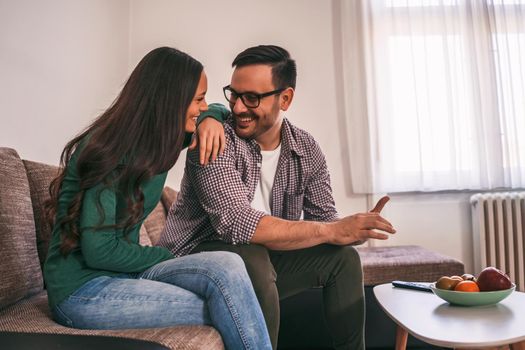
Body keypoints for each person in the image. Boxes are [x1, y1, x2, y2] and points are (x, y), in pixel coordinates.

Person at [158, 45, 396, 350]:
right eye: (234, 94)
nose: (239, 108)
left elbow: (324, 224)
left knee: (344, 260)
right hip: (190, 261)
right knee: (250, 255)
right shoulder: (213, 140)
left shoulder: (306, 149)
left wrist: (353, 230)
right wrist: (331, 230)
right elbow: (237, 224)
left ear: (285, 98)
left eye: (252, 98)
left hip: (259, 267)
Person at [43, 46, 272, 350]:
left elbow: (224, 112)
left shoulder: (161, 140)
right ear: (170, 101)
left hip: (123, 273)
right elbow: (99, 251)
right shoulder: (105, 150)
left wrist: (209, 119)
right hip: (82, 290)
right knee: (226, 305)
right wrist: (169, 257)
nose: (203, 106)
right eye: (198, 99)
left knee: (228, 265)